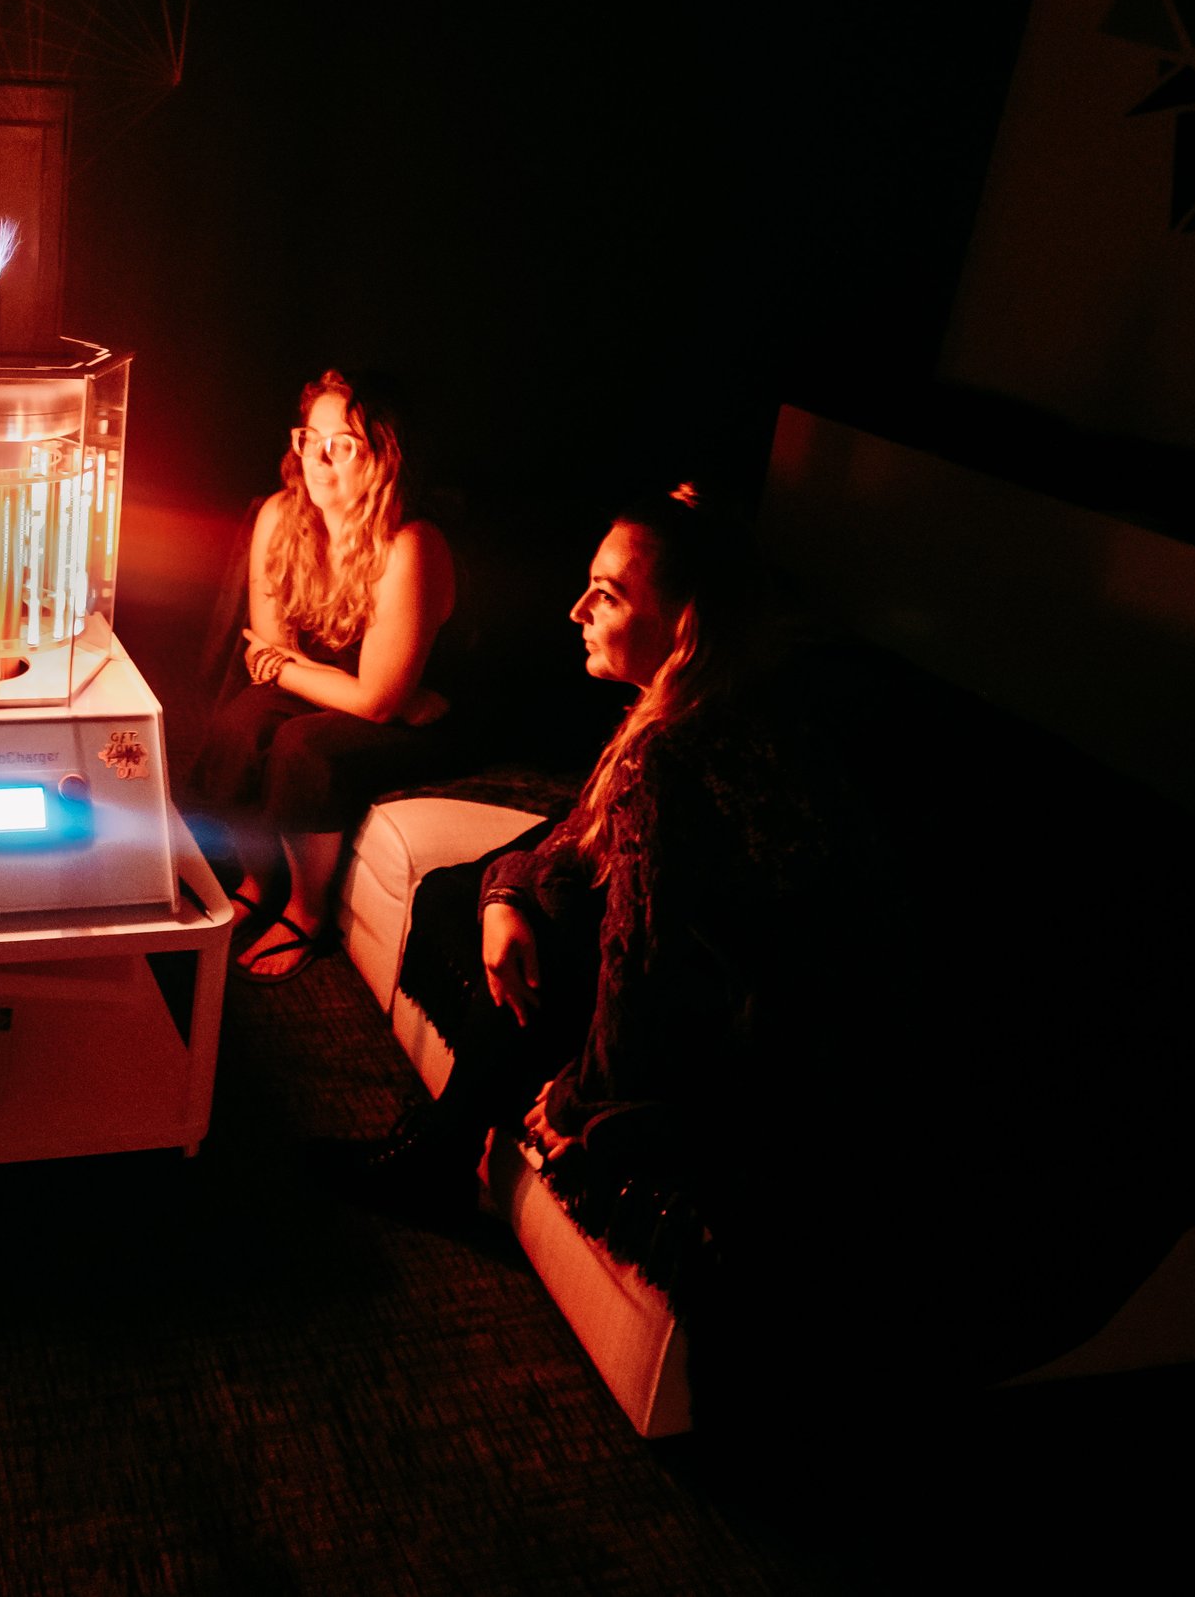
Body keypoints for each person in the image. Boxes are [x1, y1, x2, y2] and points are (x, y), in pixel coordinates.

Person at [330, 485, 856, 1263]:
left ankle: (437, 1154)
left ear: (684, 622)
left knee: (520, 923)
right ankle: (442, 1139)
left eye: (607, 595)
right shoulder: (702, 699)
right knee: (478, 893)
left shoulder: (678, 750)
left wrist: (581, 1099)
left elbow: (643, 964)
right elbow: (579, 830)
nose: (576, 610)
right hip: (720, 993)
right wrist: (504, 895)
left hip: (734, 1043)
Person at [192, 369, 460, 980]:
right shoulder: (280, 516)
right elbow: (266, 655)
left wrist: (305, 674)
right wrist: (320, 678)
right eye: (310, 438)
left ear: (384, 457)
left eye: (342, 444)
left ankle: (306, 914)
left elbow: (376, 703)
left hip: (424, 720)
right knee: (243, 722)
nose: (317, 457)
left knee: (303, 747)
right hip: (363, 691)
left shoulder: (410, 545)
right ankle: (256, 883)